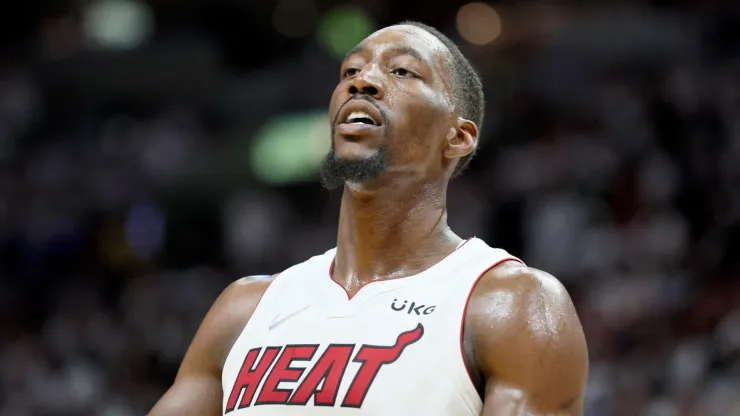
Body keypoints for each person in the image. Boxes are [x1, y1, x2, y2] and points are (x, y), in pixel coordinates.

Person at [149, 21, 588, 416]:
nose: (364, 82)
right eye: (350, 72)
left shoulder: (511, 305)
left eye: (402, 72)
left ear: (458, 137)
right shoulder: (244, 310)